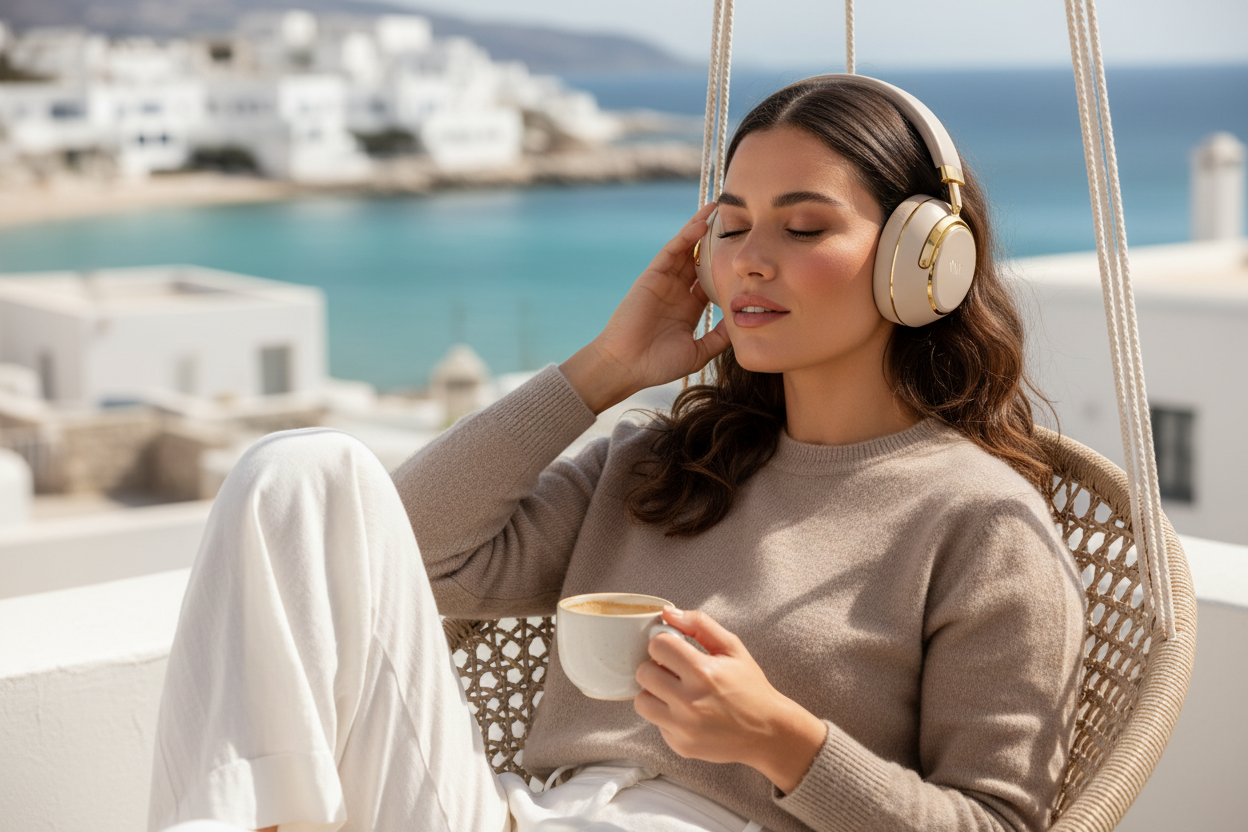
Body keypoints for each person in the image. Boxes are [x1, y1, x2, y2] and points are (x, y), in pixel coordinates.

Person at [148, 76, 1085, 832]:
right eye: (730, 224)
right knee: (300, 472)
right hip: (519, 815)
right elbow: (413, 559)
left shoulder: (982, 522)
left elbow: (995, 823)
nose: (749, 261)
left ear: (926, 260)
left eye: (803, 227)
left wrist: (781, 741)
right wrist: (602, 372)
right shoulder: (659, 461)